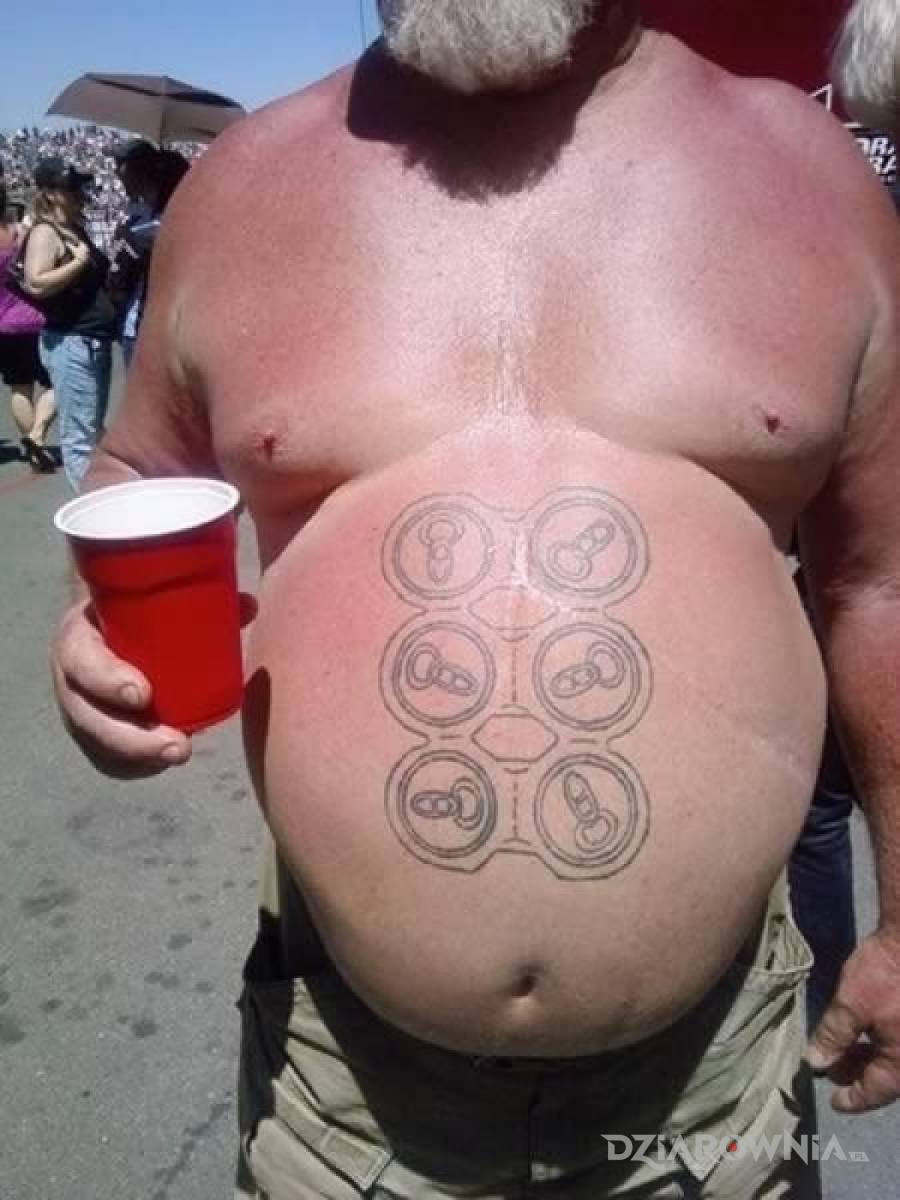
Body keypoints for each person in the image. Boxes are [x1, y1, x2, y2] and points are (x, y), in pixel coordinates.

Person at [51, 3, 900, 1197]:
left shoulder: (807, 178)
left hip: (712, 1092)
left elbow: (878, 583)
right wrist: (97, 639)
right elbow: (139, 468)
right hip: (343, 1103)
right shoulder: (241, 187)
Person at [23, 157, 117, 489]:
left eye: (79, 186)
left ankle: (97, 497)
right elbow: (36, 282)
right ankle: (89, 505)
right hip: (72, 342)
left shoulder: (73, 228)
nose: (79, 192)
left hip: (91, 340)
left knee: (92, 429)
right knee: (80, 438)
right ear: (50, 193)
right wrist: (78, 264)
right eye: (70, 186)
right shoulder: (45, 232)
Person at [107, 140, 190, 367]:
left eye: (120, 165)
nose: (116, 172)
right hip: (180, 326)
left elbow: (116, 285)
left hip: (144, 328)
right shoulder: (187, 218)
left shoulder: (139, 230)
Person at [0, 176, 56, 471]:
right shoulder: (17, 232)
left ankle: (35, 448)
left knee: (19, 389)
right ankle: (38, 436)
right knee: (55, 382)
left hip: (4, 324)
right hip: (34, 316)